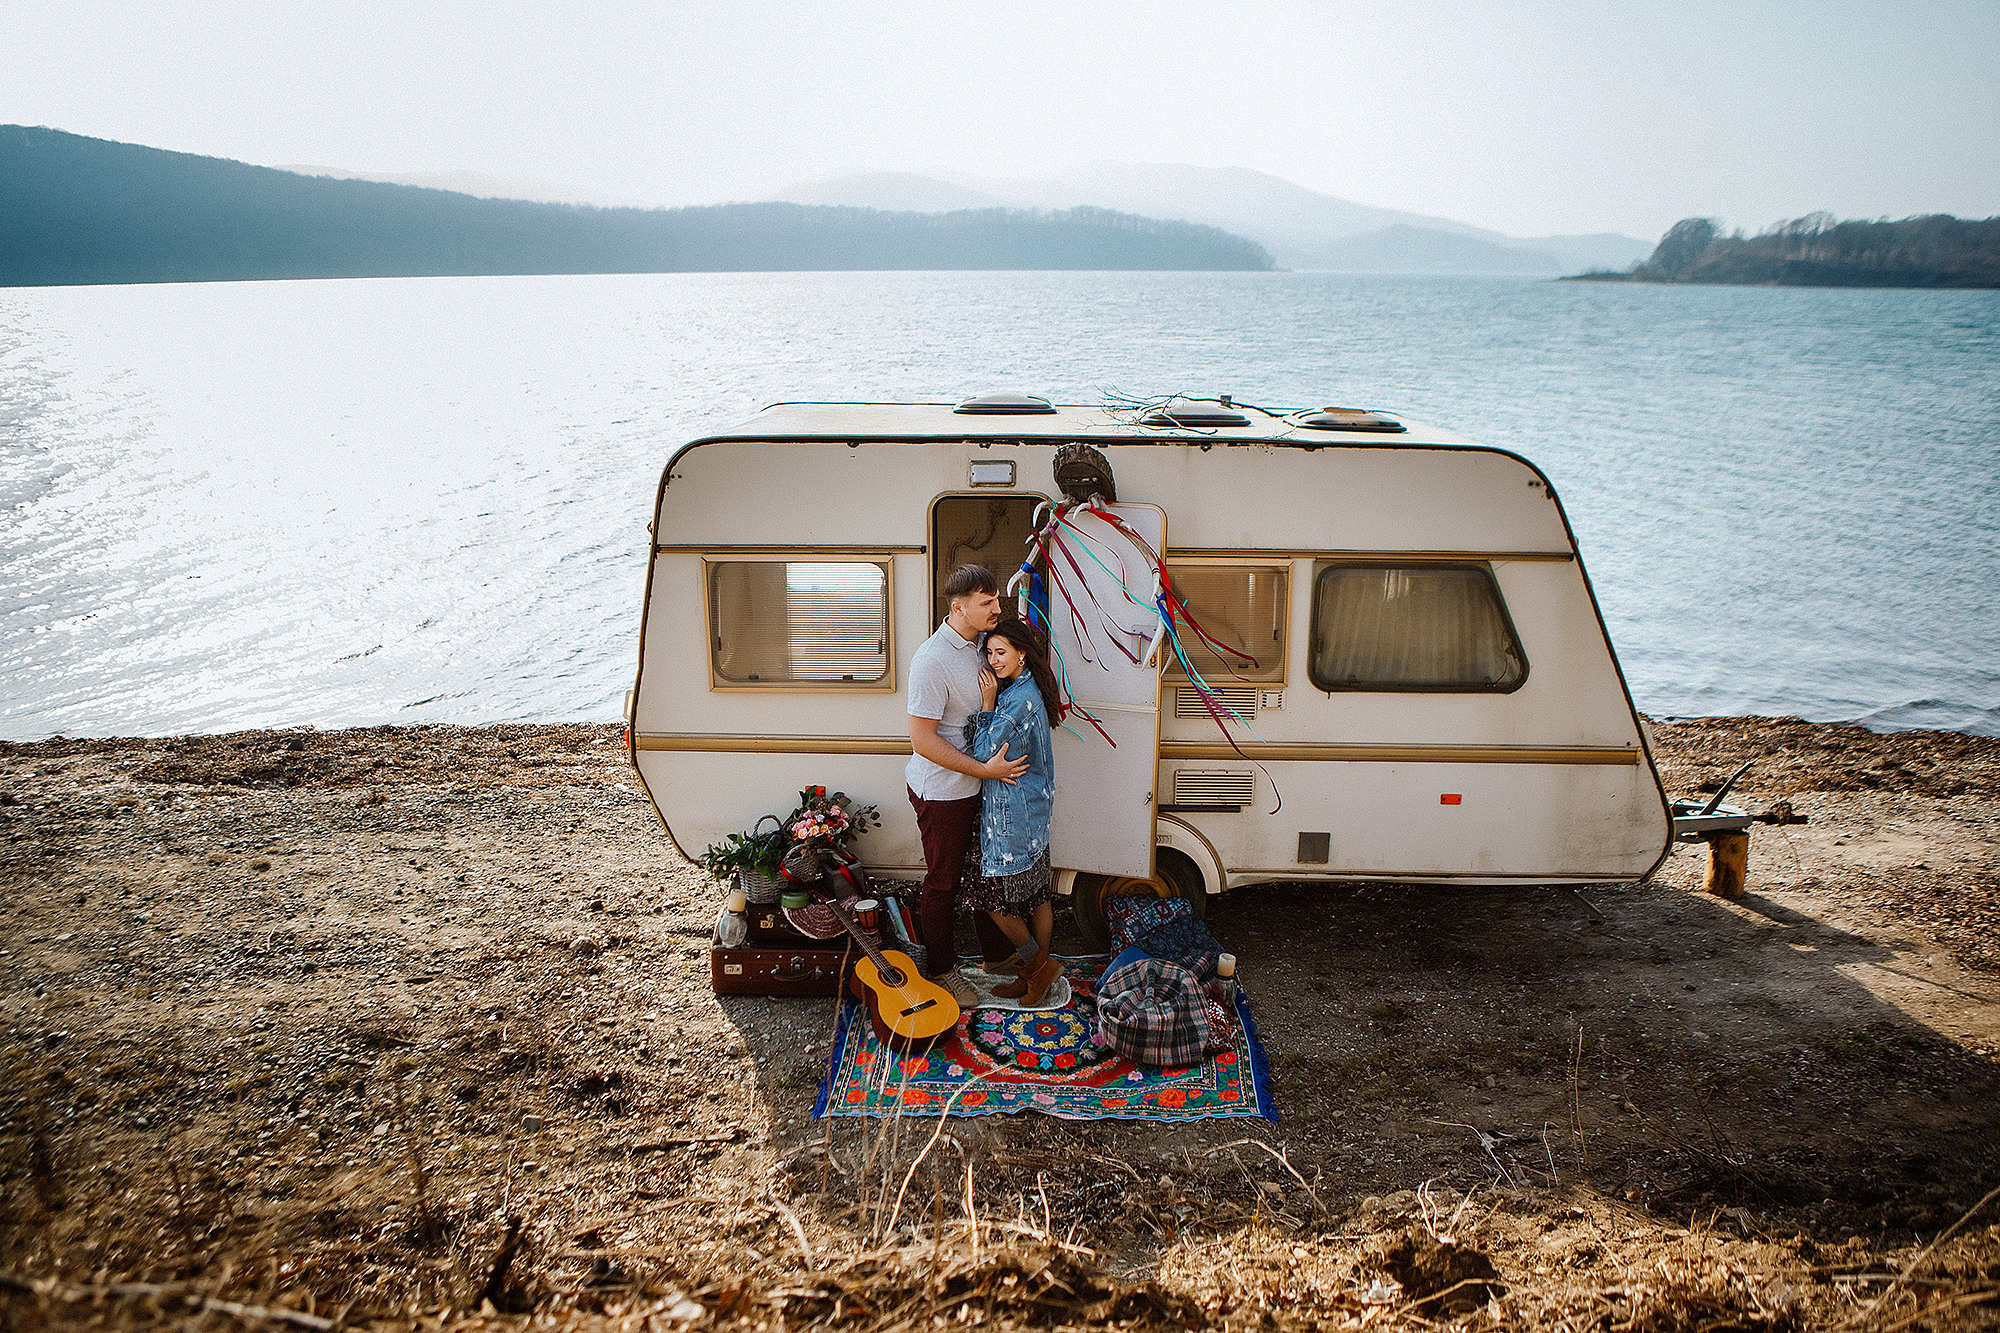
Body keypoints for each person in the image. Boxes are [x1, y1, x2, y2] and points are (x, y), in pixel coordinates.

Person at [906, 565, 1029, 1004]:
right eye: (987, 602)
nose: (998, 608)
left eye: (997, 599)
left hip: (979, 783)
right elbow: (922, 740)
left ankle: (996, 957)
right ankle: (941, 970)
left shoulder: (981, 644)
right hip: (942, 791)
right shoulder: (931, 660)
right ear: (958, 608)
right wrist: (983, 771)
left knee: (983, 872)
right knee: (944, 883)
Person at [962, 617, 1062, 1005]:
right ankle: (1034, 974)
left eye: (1001, 652)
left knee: (993, 901)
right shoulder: (1029, 687)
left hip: (1013, 817)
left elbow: (984, 753)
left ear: (1022, 653)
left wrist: (986, 704)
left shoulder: (1015, 702)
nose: (993, 660)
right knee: (1036, 896)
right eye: (989, 652)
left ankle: (1037, 968)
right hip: (1033, 812)